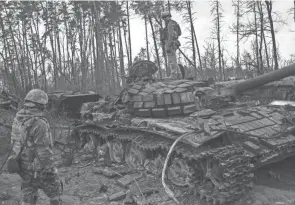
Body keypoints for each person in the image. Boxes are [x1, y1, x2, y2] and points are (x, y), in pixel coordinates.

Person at [9, 89, 63, 205]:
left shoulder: (17, 119)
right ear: (41, 105)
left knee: (28, 194)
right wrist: (50, 169)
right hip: (39, 167)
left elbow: (14, 143)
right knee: (55, 191)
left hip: (22, 165)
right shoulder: (40, 123)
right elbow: (43, 151)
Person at [161, 11, 182, 80]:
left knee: (171, 60)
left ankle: (174, 74)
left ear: (165, 18)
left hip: (170, 43)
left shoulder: (170, 24)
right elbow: (179, 33)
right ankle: (178, 74)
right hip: (174, 43)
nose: (164, 20)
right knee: (174, 59)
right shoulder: (174, 23)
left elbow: (170, 35)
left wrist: (169, 45)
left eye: (164, 18)